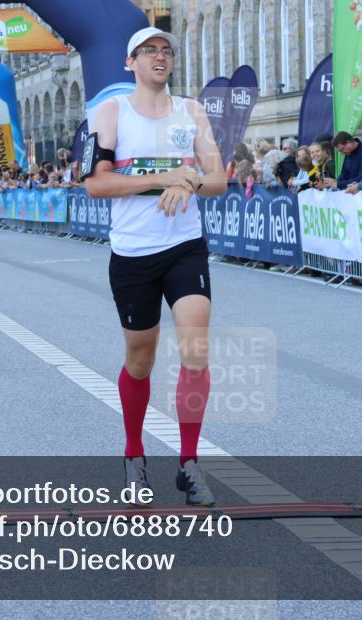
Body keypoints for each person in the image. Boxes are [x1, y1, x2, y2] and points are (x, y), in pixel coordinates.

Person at [83, 26, 227, 507]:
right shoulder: (111, 112)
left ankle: (189, 463)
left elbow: (218, 179)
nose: (160, 57)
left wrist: (189, 185)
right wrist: (166, 175)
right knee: (140, 359)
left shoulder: (191, 111)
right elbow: (96, 185)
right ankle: (134, 454)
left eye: (166, 50)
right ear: (131, 63)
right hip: (133, 253)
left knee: (195, 351)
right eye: (150, 51)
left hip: (185, 246)